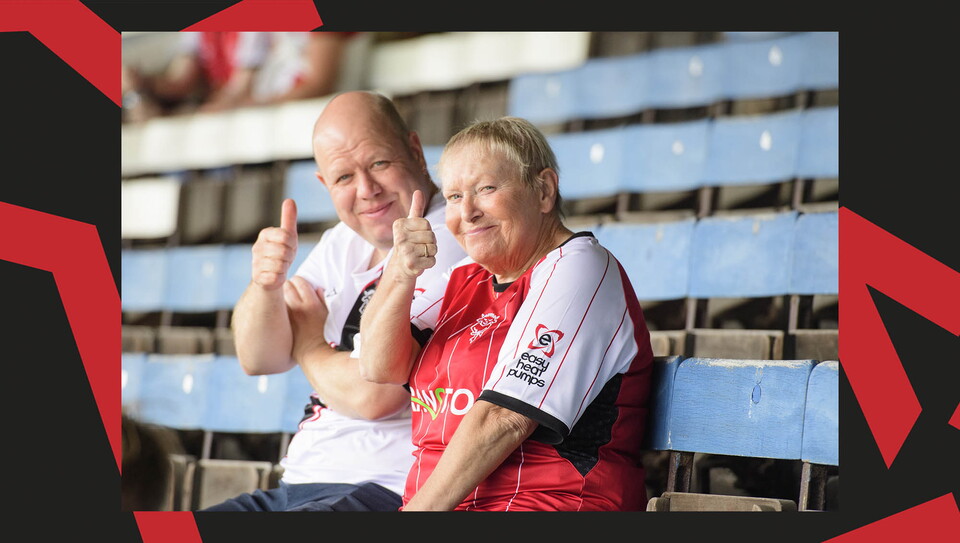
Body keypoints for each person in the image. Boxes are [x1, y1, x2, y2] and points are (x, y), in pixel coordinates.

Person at [357, 116, 654, 511]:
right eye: (454, 197)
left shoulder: (579, 265)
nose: (468, 213)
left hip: (553, 502)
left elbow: (504, 417)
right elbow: (378, 367)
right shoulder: (461, 279)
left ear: (544, 191)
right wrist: (399, 273)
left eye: (486, 189)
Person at [203, 91, 466, 511]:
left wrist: (308, 346)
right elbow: (259, 358)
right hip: (301, 483)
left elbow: (374, 394)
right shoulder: (343, 240)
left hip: (385, 488)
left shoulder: (446, 238)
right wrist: (265, 287)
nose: (367, 190)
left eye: (379, 163)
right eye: (344, 177)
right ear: (325, 184)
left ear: (415, 152)